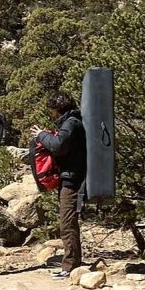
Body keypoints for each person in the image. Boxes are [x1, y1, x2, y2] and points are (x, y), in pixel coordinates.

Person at [31, 92, 87, 279]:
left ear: (57, 108)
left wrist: (41, 135)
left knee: (67, 222)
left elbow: (58, 145)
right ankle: (73, 263)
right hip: (71, 177)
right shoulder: (72, 121)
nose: (53, 115)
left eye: (53, 111)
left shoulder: (70, 123)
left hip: (71, 180)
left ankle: (70, 266)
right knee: (69, 222)